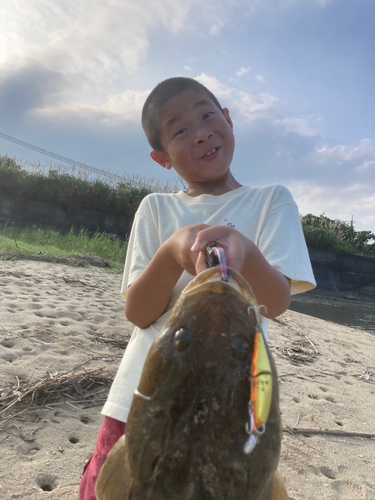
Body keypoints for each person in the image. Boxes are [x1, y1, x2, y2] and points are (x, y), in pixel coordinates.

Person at [79, 77, 316, 499]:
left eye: (207, 115)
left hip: (240, 412)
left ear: (228, 119)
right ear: (161, 158)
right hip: (142, 399)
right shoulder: (156, 209)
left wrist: (247, 251)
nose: (202, 131)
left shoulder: (272, 201)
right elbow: (138, 313)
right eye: (180, 129)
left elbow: (276, 302)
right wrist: (172, 254)